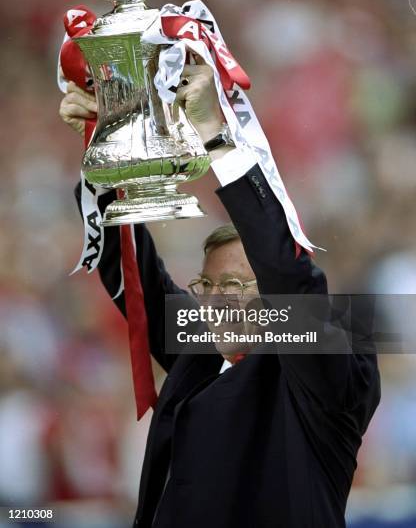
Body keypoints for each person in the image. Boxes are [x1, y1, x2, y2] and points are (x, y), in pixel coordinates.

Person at [59, 62, 380, 528]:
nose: (215, 302)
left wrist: (215, 133)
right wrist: (103, 147)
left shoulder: (328, 371)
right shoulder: (201, 353)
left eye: (234, 286)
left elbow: (289, 278)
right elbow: (134, 278)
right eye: (206, 286)